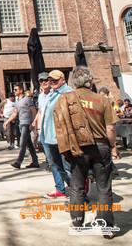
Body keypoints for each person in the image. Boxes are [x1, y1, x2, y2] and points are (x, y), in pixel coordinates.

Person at [53, 66, 119, 237]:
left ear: (74, 82)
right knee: (104, 188)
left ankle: (77, 223)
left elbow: (60, 125)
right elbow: (110, 128)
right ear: (90, 81)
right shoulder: (101, 100)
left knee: (76, 187)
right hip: (101, 146)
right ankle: (107, 228)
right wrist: (113, 147)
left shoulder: (66, 99)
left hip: (77, 148)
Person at [36, 70, 73, 199]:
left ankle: (77, 195)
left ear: (63, 79)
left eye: (52, 80)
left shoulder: (67, 93)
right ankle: (60, 188)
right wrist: (39, 131)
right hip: (48, 136)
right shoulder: (46, 95)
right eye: (44, 80)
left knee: (67, 166)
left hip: (61, 136)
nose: (47, 82)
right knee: (55, 164)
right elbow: (42, 113)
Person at [4, 84, 39, 169]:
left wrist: (33, 123)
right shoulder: (17, 101)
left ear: (21, 90)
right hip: (21, 123)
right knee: (29, 144)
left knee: (22, 143)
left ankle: (18, 162)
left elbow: (34, 111)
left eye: (16, 90)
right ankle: (35, 161)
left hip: (27, 123)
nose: (14, 91)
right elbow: (15, 113)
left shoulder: (27, 100)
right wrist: (7, 122)